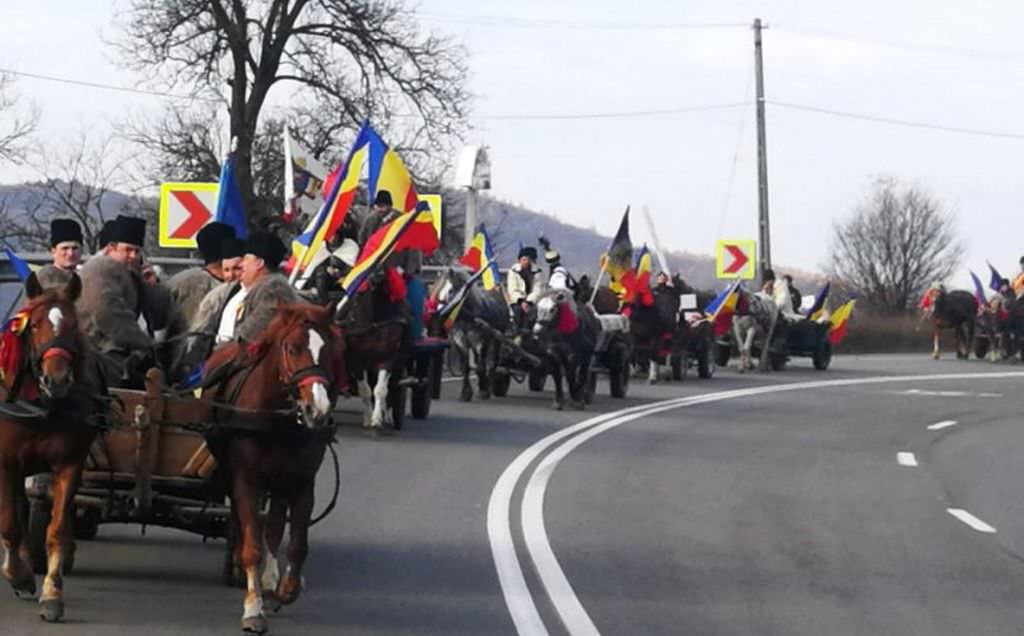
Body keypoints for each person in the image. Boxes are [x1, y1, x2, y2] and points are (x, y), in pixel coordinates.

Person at [77, 215, 172, 388]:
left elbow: (160, 318)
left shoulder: (131, 274)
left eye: (137, 251)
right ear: (111, 248)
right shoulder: (100, 268)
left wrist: (151, 283)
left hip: (120, 352)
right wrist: (143, 343)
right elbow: (107, 313)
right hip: (99, 352)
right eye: (127, 250)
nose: (133, 256)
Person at [190, 230, 300, 347]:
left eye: (246, 259)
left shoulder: (274, 289)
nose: (242, 264)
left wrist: (226, 353)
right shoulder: (237, 288)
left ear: (259, 263)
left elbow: (248, 336)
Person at [35, 218, 83, 289]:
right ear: (53, 251)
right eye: (65, 248)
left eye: (75, 248)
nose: (71, 253)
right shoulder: (40, 281)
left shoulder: (87, 278)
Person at [507, 246, 544, 329]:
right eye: (523, 259)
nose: (525, 262)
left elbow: (537, 289)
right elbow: (512, 289)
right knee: (517, 311)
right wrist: (521, 301)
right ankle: (517, 332)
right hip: (517, 300)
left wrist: (528, 302)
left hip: (532, 300)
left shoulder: (537, 272)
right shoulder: (513, 271)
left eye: (527, 259)